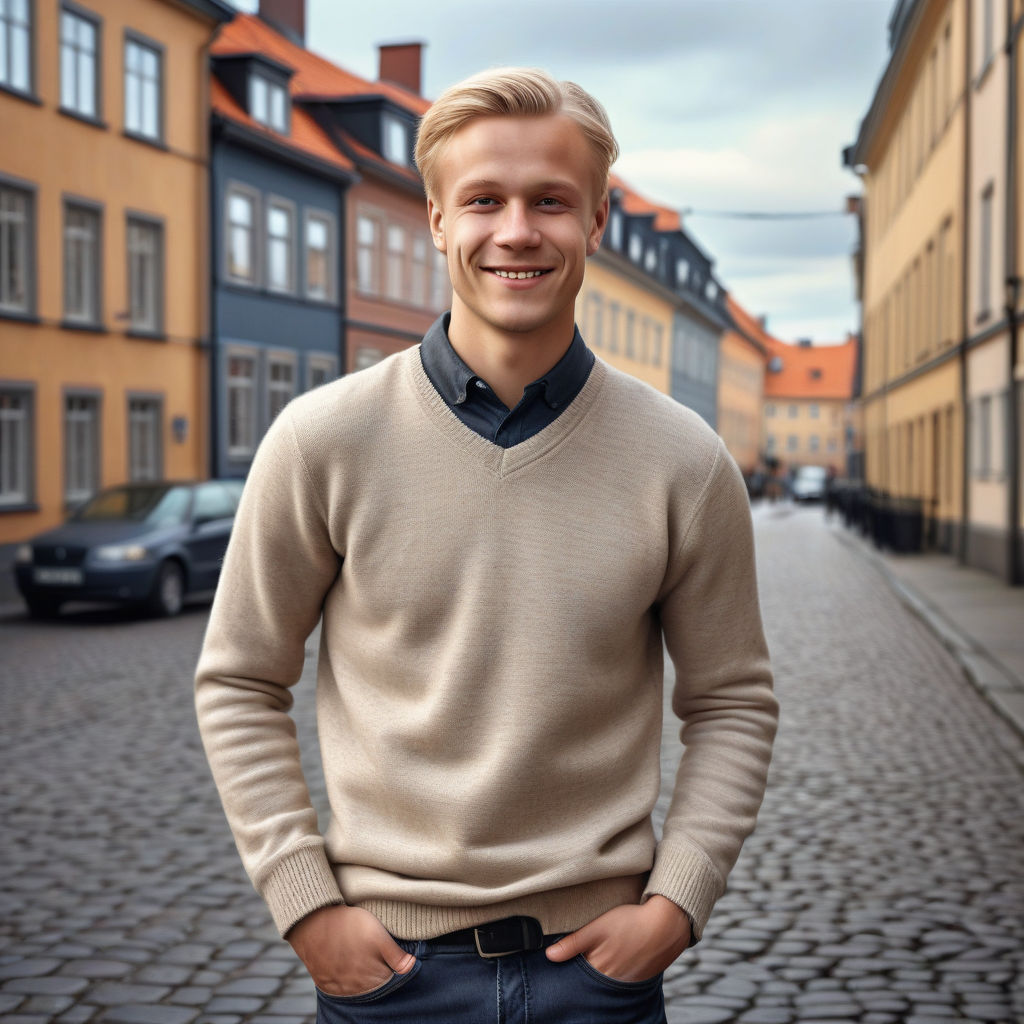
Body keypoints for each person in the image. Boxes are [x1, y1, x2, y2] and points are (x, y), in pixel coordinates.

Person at [195, 67, 778, 1024]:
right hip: (391, 980)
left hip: (600, 979)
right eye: (483, 201)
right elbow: (240, 680)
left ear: (595, 223)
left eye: (551, 200)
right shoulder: (321, 439)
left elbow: (733, 702)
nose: (517, 231)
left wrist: (677, 903)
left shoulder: (684, 459)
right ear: (434, 218)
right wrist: (307, 907)